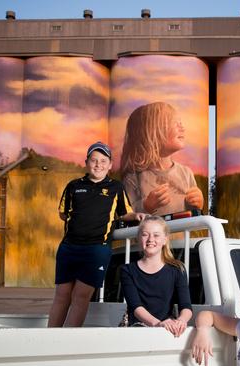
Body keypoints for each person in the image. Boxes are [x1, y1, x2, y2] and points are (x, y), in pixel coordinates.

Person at [48, 141, 146, 327]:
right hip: (69, 247)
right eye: (94, 160)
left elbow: (124, 211)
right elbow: (63, 213)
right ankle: (50, 336)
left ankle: (66, 340)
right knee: (62, 295)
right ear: (87, 162)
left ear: (110, 165)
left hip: (96, 249)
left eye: (103, 161)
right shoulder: (73, 186)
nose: (98, 165)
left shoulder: (115, 187)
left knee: (81, 295)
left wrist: (136, 215)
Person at [120, 101, 204, 215]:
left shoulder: (186, 173)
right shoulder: (133, 179)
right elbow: (125, 216)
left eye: (181, 123)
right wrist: (146, 206)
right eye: (175, 123)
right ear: (151, 133)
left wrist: (198, 205)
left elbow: (195, 216)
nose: (182, 127)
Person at [120, 215, 193, 337]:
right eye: (145, 234)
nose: (150, 239)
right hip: (137, 332)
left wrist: (181, 321)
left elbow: (186, 306)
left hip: (167, 331)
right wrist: (158, 324)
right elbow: (136, 307)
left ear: (165, 239)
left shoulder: (177, 269)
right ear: (138, 238)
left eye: (156, 235)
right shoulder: (127, 270)